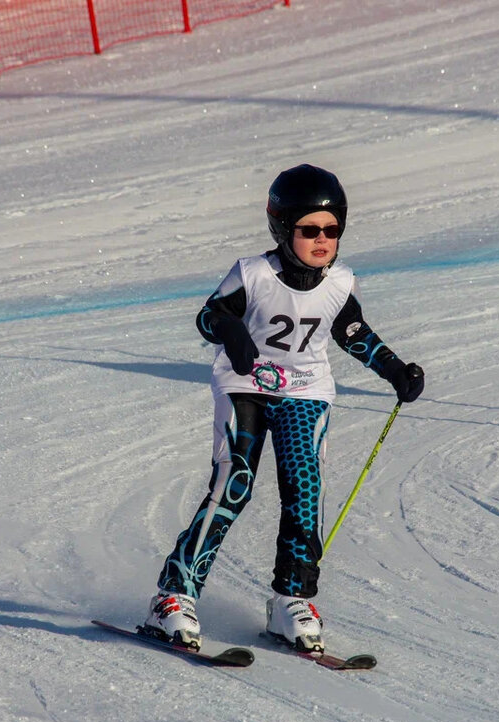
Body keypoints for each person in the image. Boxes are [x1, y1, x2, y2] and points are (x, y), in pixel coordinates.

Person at [142, 164, 425, 653]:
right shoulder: (252, 273)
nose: (322, 240)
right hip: (244, 385)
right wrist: (231, 332)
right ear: (281, 227)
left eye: (332, 230)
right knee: (235, 484)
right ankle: (175, 593)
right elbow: (210, 316)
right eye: (309, 229)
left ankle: (290, 598)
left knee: (305, 489)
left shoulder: (340, 282)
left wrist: (396, 371)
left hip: (307, 391)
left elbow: (352, 333)